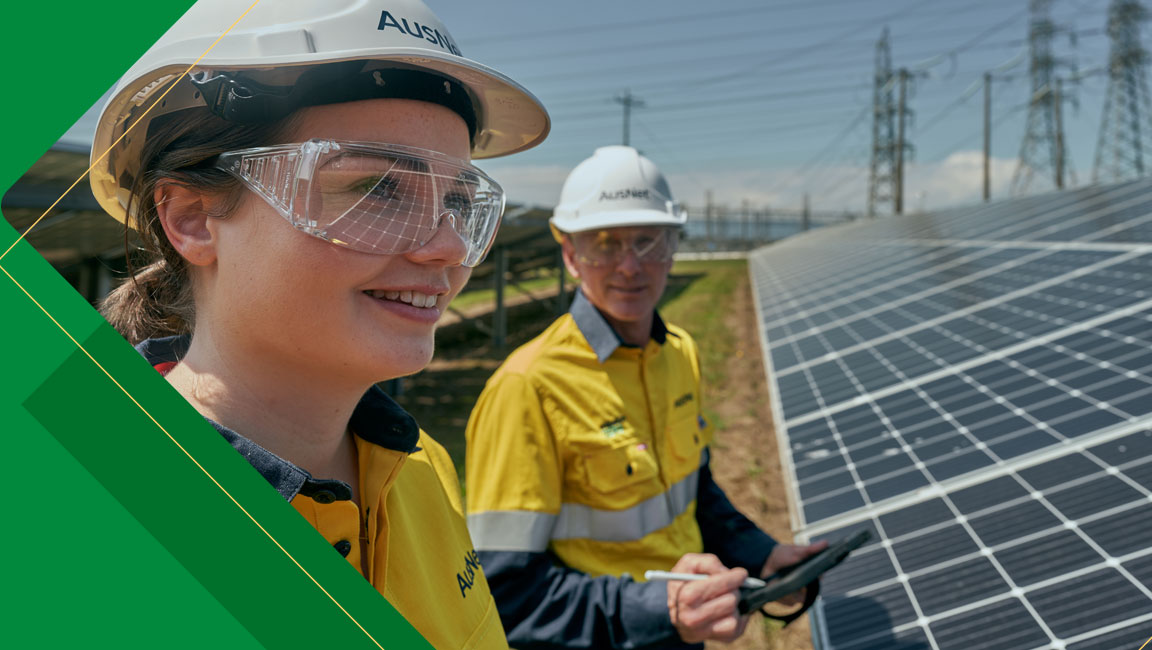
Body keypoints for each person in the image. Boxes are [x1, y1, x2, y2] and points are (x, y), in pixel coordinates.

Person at [91, 1, 548, 648]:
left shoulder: (422, 469)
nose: (447, 247)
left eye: (458, 200)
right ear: (192, 217)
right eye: (377, 190)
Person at [464, 146, 827, 649]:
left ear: (672, 247)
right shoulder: (527, 386)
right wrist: (658, 609)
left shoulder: (680, 354)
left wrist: (760, 554)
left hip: (679, 627)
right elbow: (505, 593)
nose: (630, 266)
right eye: (604, 245)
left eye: (648, 241)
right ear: (570, 255)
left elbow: (693, 494)